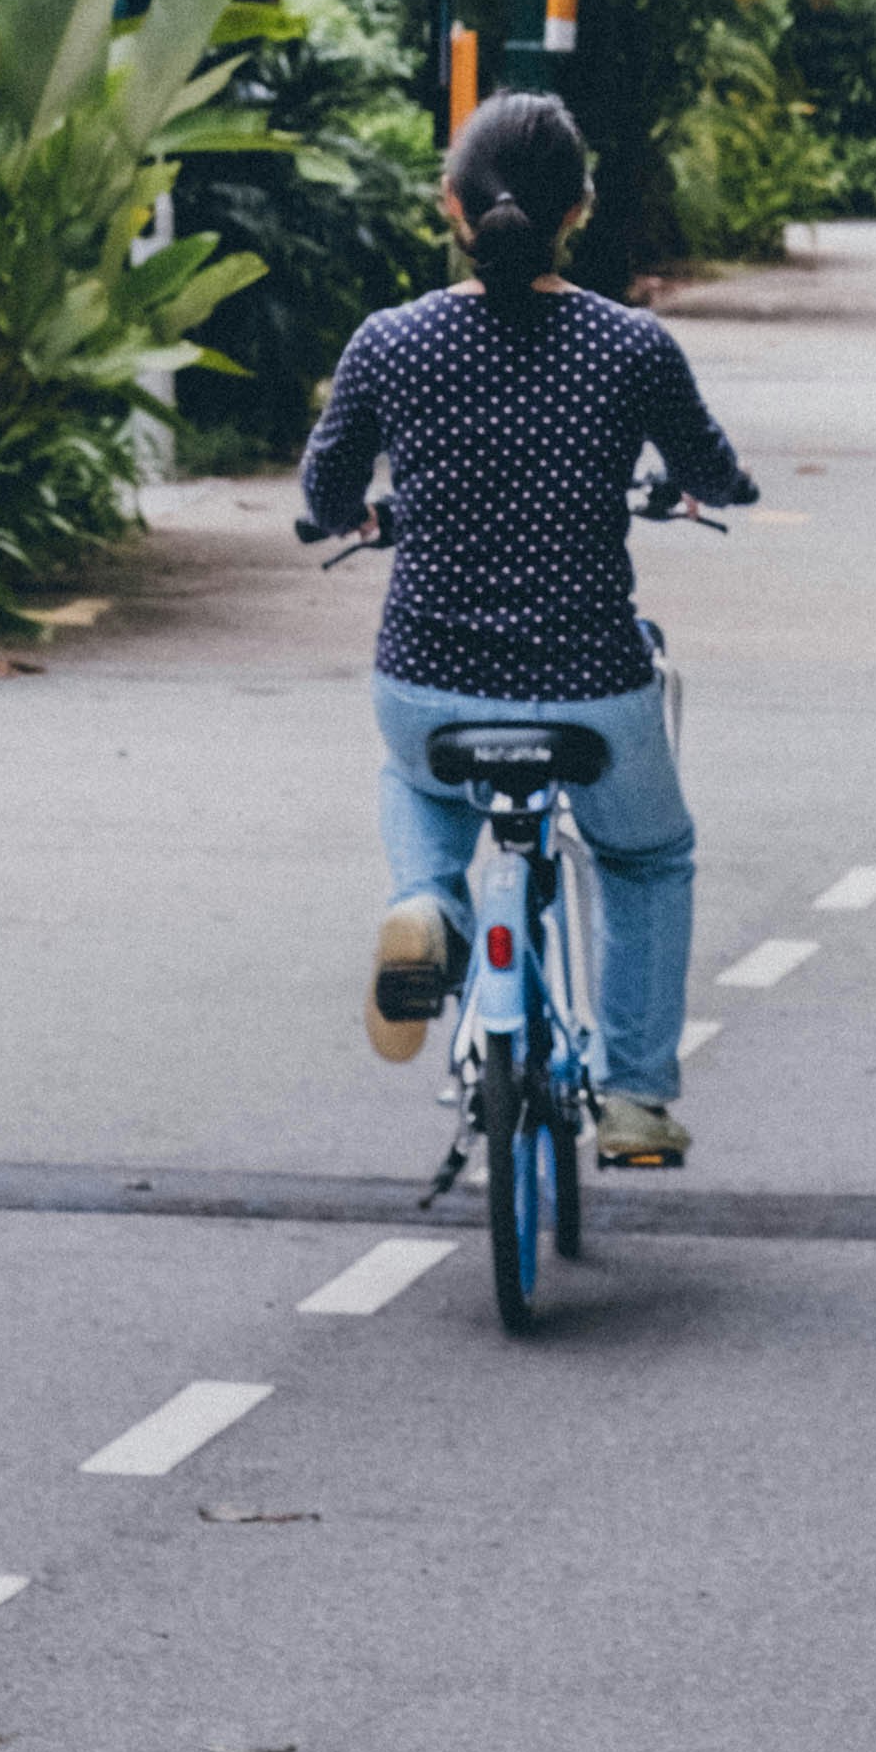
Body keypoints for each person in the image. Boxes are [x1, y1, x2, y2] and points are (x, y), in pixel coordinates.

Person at [293, 88, 755, 1171]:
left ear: (451, 206)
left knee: (412, 778)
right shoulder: (629, 345)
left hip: (429, 685)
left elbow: (321, 497)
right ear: (578, 210)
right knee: (647, 858)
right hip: (589, 690)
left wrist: (361, 516)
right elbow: (711, 470)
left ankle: (430, 910)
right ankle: (635, 1098)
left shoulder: (389, 341)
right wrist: (705, 487)